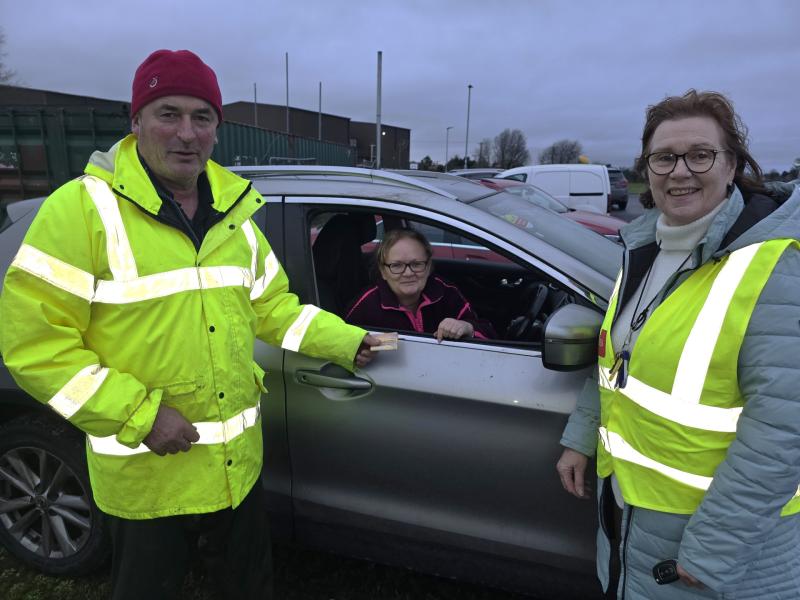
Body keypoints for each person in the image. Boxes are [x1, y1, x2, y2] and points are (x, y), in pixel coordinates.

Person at [0, 49, 380, 600]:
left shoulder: (237, 215)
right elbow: (35, 346)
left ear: (217, 130)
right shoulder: (80, 211)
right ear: (135, 123)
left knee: (250, 588)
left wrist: (348, 341)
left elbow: (273, 309)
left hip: (234, 469)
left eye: (202, 117)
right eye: (168, 113)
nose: (186, 133)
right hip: (147, 476)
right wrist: (141, 415)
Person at [555, 89, 800, 599]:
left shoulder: (775, 267)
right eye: (664, 157)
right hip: (635, 516)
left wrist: (714, 548)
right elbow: (619, 359)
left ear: (732, 166)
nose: (680, 171)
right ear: (647, 169)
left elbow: (784, 428)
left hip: (716, 548)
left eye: (700, 155)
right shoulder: (646, 247)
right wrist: (582, 435)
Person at [345, 228, 496, 341]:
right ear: (383, 271)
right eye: (397, 266)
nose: (408, 273)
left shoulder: (445, 292)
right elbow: (346, 346)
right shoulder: (365, 306)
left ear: (429, 265)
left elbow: (490, 334)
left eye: (416, 264)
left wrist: (467, 328)